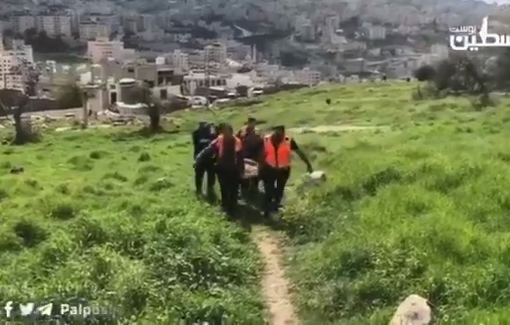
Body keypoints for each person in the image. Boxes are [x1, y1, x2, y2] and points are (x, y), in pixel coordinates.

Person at [259, 125, 313, 217]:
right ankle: (266, 212)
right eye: (278, 134)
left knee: (279, 191)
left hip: (283, 170)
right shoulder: (266, 140)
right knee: (269, 191)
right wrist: (259, 166)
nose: (280, 136)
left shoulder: (288, 140)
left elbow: (299, 152)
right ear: (274, 132)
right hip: (269, 169)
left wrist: (308, 164)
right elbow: (260, 153)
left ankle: (275, 208)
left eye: (282, 134)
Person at [195, 123, 243, 216]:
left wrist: (241, 170)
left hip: (233, 168)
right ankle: (225, 205)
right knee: (224, 188)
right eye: (224, 131)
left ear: (231, 131)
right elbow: (209, 149)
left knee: (233, 188)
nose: (225, 133)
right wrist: (199, 157)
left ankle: (232, 207)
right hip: (222, 168)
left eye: (227, 131)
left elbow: (240, 156)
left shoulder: (237, 141)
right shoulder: (219, 140)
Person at [237, 117, 264, 196]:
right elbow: (237, 141)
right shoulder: (242, 131)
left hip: (255, 156)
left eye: (253, 123)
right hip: (243, 155)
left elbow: (262, 143)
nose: (252, 125)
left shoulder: (258, 132)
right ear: (248, 123)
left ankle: (254, 189)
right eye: (250, 123)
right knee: (243, 174)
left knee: (255, 174)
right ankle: (244, 190)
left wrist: (261, 156)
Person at [192, 121, 217, 196]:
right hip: (200, 157)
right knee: (199, 175)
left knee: (211, 175)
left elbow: (218, 137)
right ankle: (198, 190)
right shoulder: (197, 133)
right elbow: (195, 139)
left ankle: (210, 189)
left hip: (211, 157)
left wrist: (214, 128)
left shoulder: (213, 134)